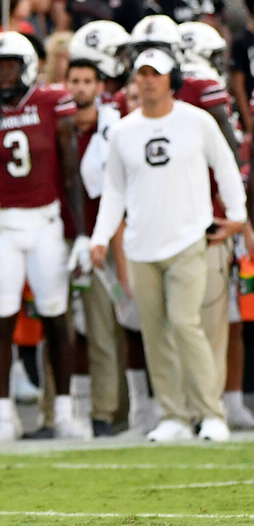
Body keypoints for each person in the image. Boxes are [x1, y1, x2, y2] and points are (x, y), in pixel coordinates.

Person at [90, 48, 251, 443]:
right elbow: (114, 190)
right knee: (154, 332)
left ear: (171, 80)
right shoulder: (124, 131)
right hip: (141, 245)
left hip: (188, 239)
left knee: (184, 323)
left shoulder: (196, 121)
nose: (147, 81)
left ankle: (209, 412)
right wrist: (100, 236)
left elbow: (225, 166)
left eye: (155, 74)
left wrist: (237, 216)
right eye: (142, 74)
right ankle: (173, 414)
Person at [0, 32, 87, 442]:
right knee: (2, 319)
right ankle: (3, 415)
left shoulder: (52, 101)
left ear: (28, 67)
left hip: (46, 221)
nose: (4, 74)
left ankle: (64, 411)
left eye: (11, 66)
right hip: (1, 224)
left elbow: (71, 173)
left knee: (56, 316)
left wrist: (80, 234)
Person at [63, 49, 122, 436]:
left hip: (102, 237)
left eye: (88, 82)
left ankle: (106, 411)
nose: (81, 88)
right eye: (75, 81)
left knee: (102, 328)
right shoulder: (56, 127)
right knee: (58, 328)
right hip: (60, 236)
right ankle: (56, 413)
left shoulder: (113, 129)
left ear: (100, 87)